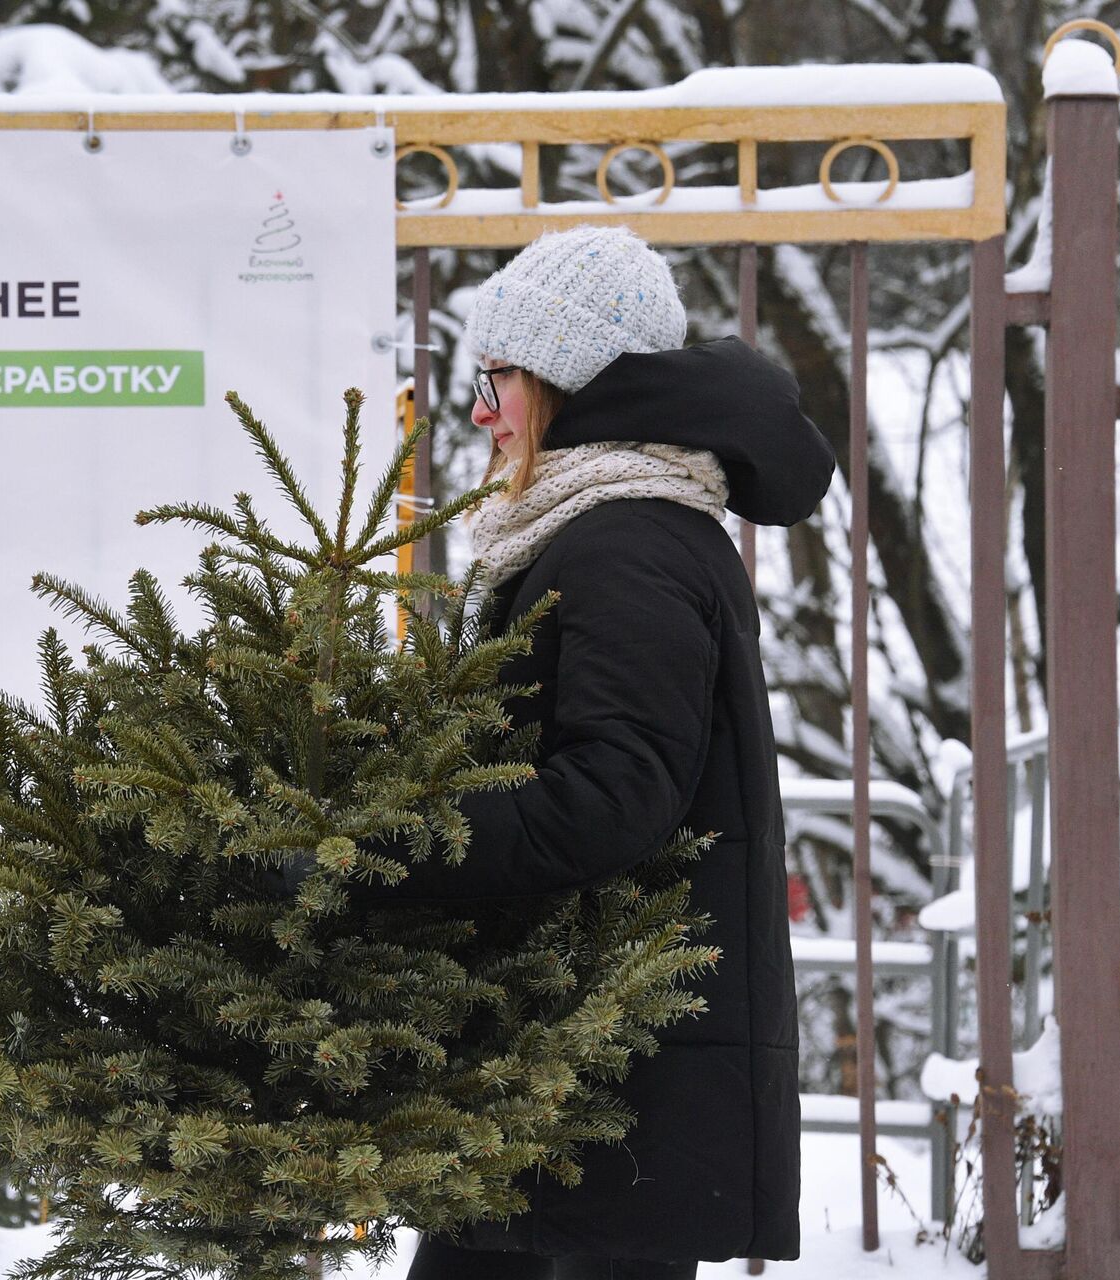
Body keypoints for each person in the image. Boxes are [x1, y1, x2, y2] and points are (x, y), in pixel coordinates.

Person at [365, 224, 836, 1278]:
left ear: (564, 380)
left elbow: (614, 793)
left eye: (495, 381)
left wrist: (389, 842)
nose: (478, 414)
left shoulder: (625, 542)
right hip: (564, 1065)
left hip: (615, 1087)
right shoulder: (599, 529)